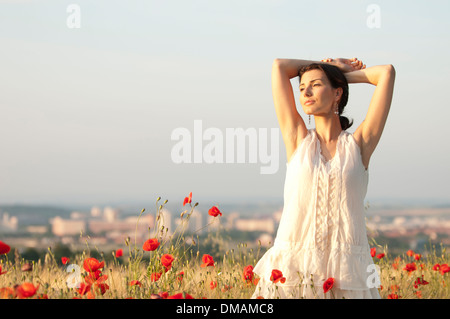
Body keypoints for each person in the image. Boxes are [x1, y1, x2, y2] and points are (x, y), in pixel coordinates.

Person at [251, 57, 395, 299]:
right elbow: (279, 67)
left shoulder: (359, 145)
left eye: (315, 85)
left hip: (348, 275)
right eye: (302, 86)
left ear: (337, 93)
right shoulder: (297, 139)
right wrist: (326, 70)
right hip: (294, 271)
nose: (306, 91)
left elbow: (386, 74)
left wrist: (339, 74)